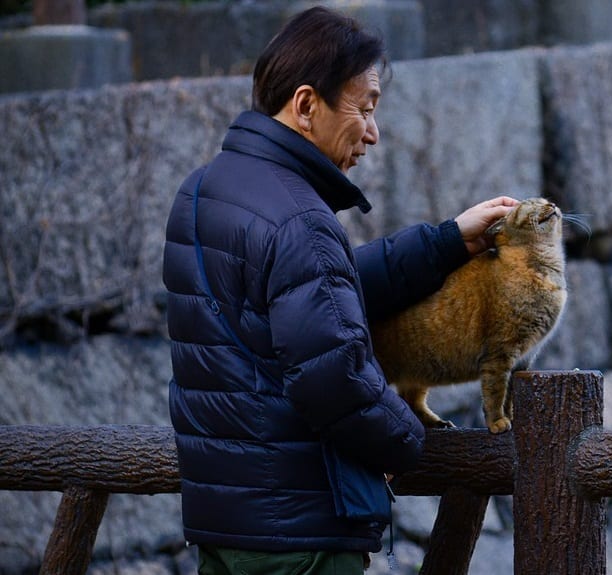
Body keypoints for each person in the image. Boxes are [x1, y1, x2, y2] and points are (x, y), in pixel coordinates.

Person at [162, 6, 517, 574]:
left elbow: (318, 293)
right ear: (306, 106)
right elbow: (335, 376)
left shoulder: (203, 191)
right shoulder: (301, 218)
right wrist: (409, 443)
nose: (373, 134)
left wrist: (446, 242)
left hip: (227, 529)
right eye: (365, 109)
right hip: (303, 539)